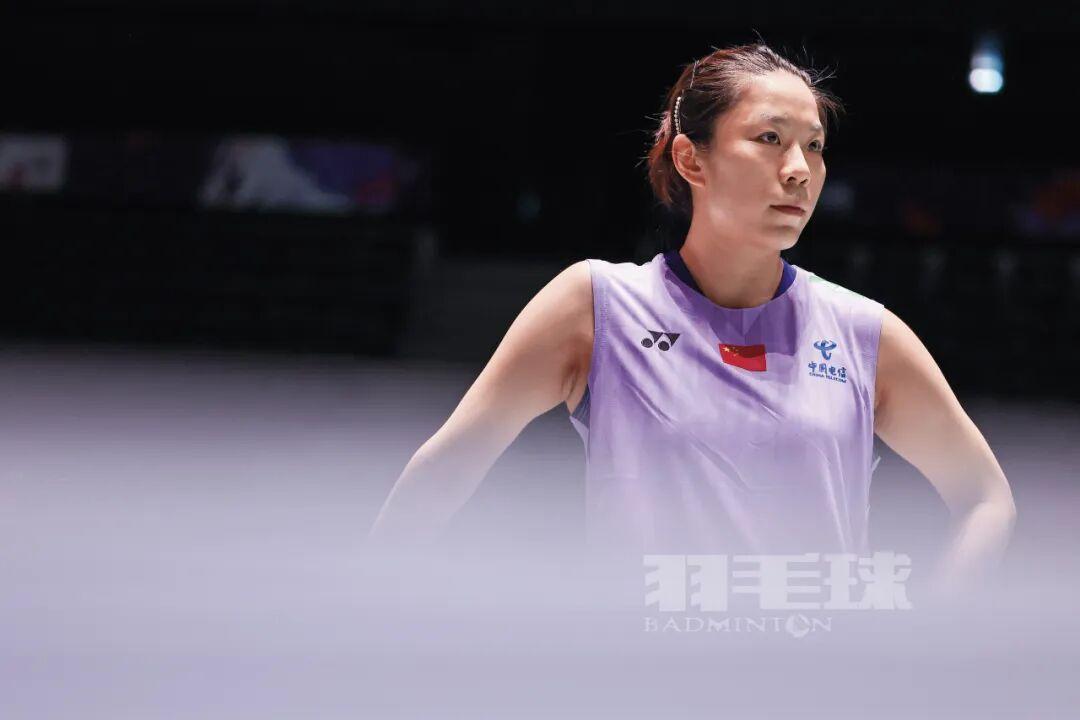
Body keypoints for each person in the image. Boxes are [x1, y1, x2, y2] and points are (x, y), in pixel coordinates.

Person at [368, 43, 1016, 598]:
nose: (800, 170)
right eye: (770, 139)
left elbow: (987, 500)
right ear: (691, 160)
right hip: (641, 681)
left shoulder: (865, 333)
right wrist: (368, 623)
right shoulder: (597, 306)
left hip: (812, 682)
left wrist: (923, 641)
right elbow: (443, 471)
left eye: (814, 146)